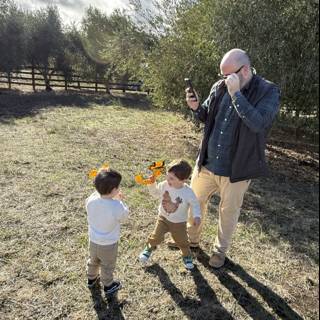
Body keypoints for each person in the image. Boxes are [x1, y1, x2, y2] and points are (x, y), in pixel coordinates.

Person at [185, 48, 280, 268]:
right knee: (194, 201)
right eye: (222, 75)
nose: (223, 80)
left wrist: (236, 94)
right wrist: (196, 107)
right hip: (207, 162)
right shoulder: (219, 87)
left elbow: (258, 123)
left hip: (236, 168)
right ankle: (191, 240)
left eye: (227, 75)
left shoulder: (268, 91)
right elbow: (207, 115)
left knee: (228, 213)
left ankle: (219, 252)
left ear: (244, 70)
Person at [139, 160, 201, 270]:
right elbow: (155, 194)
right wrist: (152, 184)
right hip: (163, 218)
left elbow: (195, 204)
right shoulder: (164, 185)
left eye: (172, 178)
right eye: (167, 176)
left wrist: (197, 216)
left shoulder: (188, 192)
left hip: (179, 223)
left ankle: (187, 256)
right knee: (156, 236)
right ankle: (148, 249)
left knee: (182, 241)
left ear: (183, 180)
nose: (168, 180)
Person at [85, 168, 129, 297]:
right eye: (118, 187)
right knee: (107, 265)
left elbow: (93, 198)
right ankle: (108, 285)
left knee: (93, 260)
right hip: (109, 243)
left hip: (93, 240)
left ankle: (91, 279)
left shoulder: (91, 199)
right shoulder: (116, 206)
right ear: (114, 190)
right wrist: (121, 201)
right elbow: (124, 216)